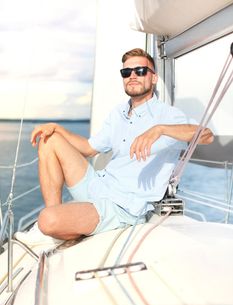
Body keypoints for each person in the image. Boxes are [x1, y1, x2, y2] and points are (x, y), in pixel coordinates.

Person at [15, 48, 214, 244]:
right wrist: (57, 128)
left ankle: (55, 225)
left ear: (153, 78)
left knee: (46, 219)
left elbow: (207, 136)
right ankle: (52, 230)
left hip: (123, 206)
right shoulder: (118, 113)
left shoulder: (168, 115)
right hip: (98, 185)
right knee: (51, 139)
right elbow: (89, 148)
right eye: (126, 72)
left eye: (140, 71)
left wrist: (159, 129)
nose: (133, 76)